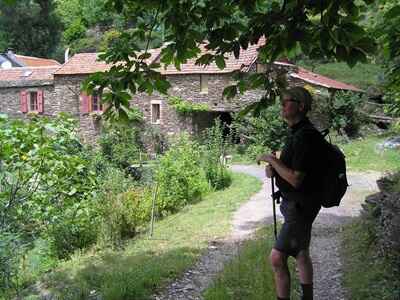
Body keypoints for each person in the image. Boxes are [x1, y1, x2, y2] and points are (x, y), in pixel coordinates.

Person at [257, 86, 324, 300]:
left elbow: (296, 179)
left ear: (301, 106)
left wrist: (272, 160)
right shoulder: (297, 132)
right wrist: (275, 169)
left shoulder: (304, 136)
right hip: (300, 203)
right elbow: (291, 171)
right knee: (301, 253)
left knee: (277, 257)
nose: (282, 105)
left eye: (286, 101)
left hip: (300, 206)